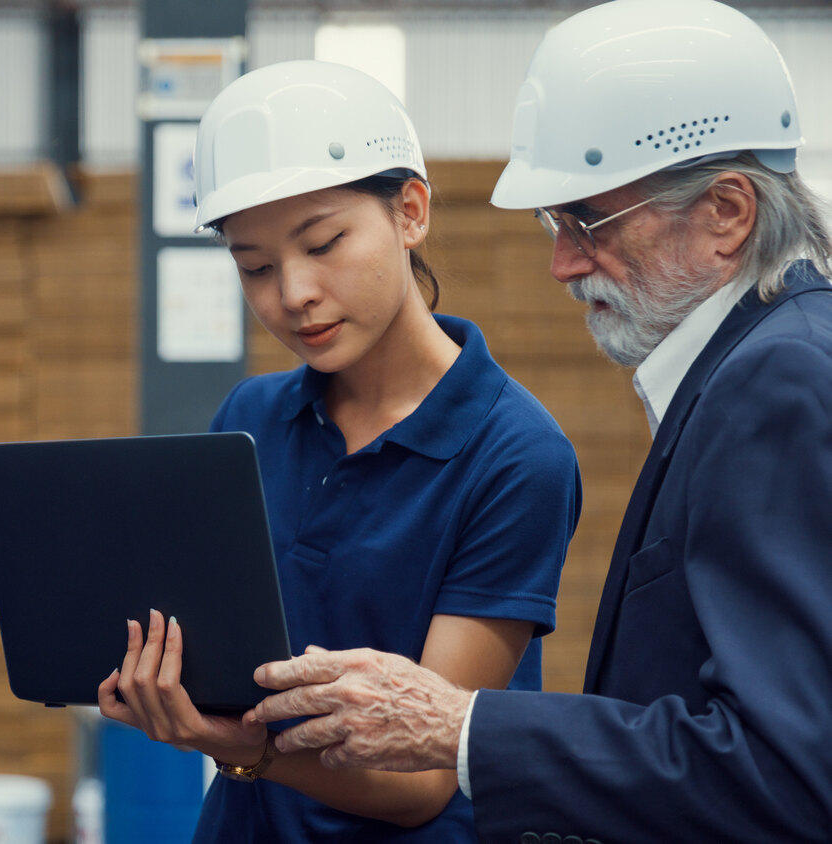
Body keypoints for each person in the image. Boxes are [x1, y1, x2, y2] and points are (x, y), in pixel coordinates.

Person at [248, 2, 832, 842]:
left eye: (587, 221)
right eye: (553, 224)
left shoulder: (779, 384)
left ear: (727, 213)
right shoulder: (753, 369)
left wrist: (461, 728)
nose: (562, 263)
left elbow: (789, 776)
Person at [95, 60, 581, 841]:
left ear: (411, 212)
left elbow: (426, 775)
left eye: (323, 244)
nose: (292, 294)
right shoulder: (248, 419)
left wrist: (248, 751)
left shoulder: (515, 456)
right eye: (254, 267)